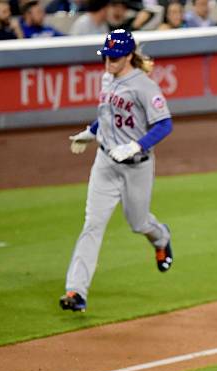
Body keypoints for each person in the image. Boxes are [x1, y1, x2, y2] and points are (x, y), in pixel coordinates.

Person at [60, 29, 174, 313]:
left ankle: (161, 238)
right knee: (92, 224)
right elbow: (107, 116)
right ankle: (76, 291)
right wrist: (91, 132)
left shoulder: (144, 87)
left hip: (137, 167)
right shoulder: (107, 78)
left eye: (114, 57)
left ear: (128, 56)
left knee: (138, 223)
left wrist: (136, 146)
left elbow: (164, 125)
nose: (108, 61)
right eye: (106, 56)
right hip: (105, 164)